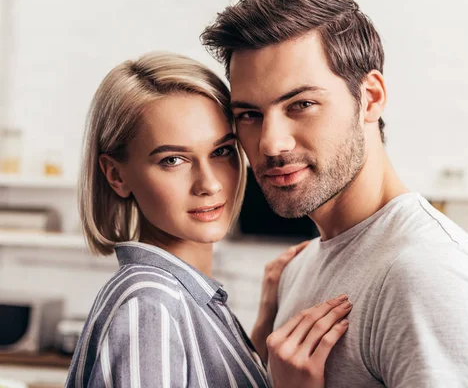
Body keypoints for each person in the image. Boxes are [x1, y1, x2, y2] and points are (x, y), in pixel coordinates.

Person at [201, 0, 468, 386]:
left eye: (301, 104)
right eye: (250, 115)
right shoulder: (298, 269)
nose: (271, 143)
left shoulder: (431, 276)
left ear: (370, 98)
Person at [65, 52, 352, 387]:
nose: (210, 184)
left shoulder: (185, 297)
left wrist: (258, 339)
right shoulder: (150, 306)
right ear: (116, 176)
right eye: (173, 159)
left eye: (222, 151)